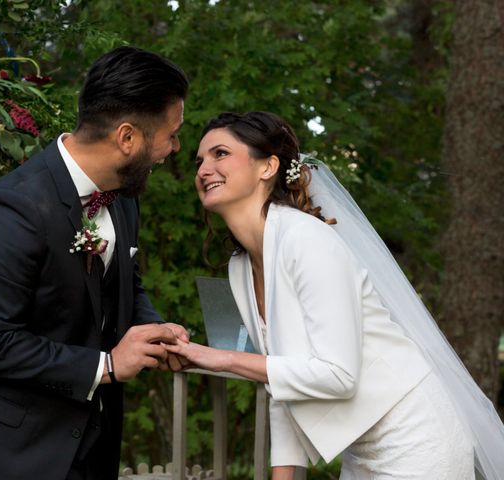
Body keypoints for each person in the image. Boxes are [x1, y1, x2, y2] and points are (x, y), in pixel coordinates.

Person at [166, 111, 504, 479]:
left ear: (268, 167)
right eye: (199, 160)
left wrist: (219, 358)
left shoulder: (306, 239)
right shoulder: (240, 268)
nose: (203, 169)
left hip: (419, 439)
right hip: (363, 452)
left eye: (220, 154)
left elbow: (338, 374)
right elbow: (283, 386)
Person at [0, 46, 190, 480]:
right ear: (127, 138)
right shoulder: (11, 209)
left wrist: (154, 331)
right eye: (171, 134)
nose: (174, 148)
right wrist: (107, 366)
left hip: (86, 450)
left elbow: (125, 285)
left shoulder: (122, 198)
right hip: (0, 455)